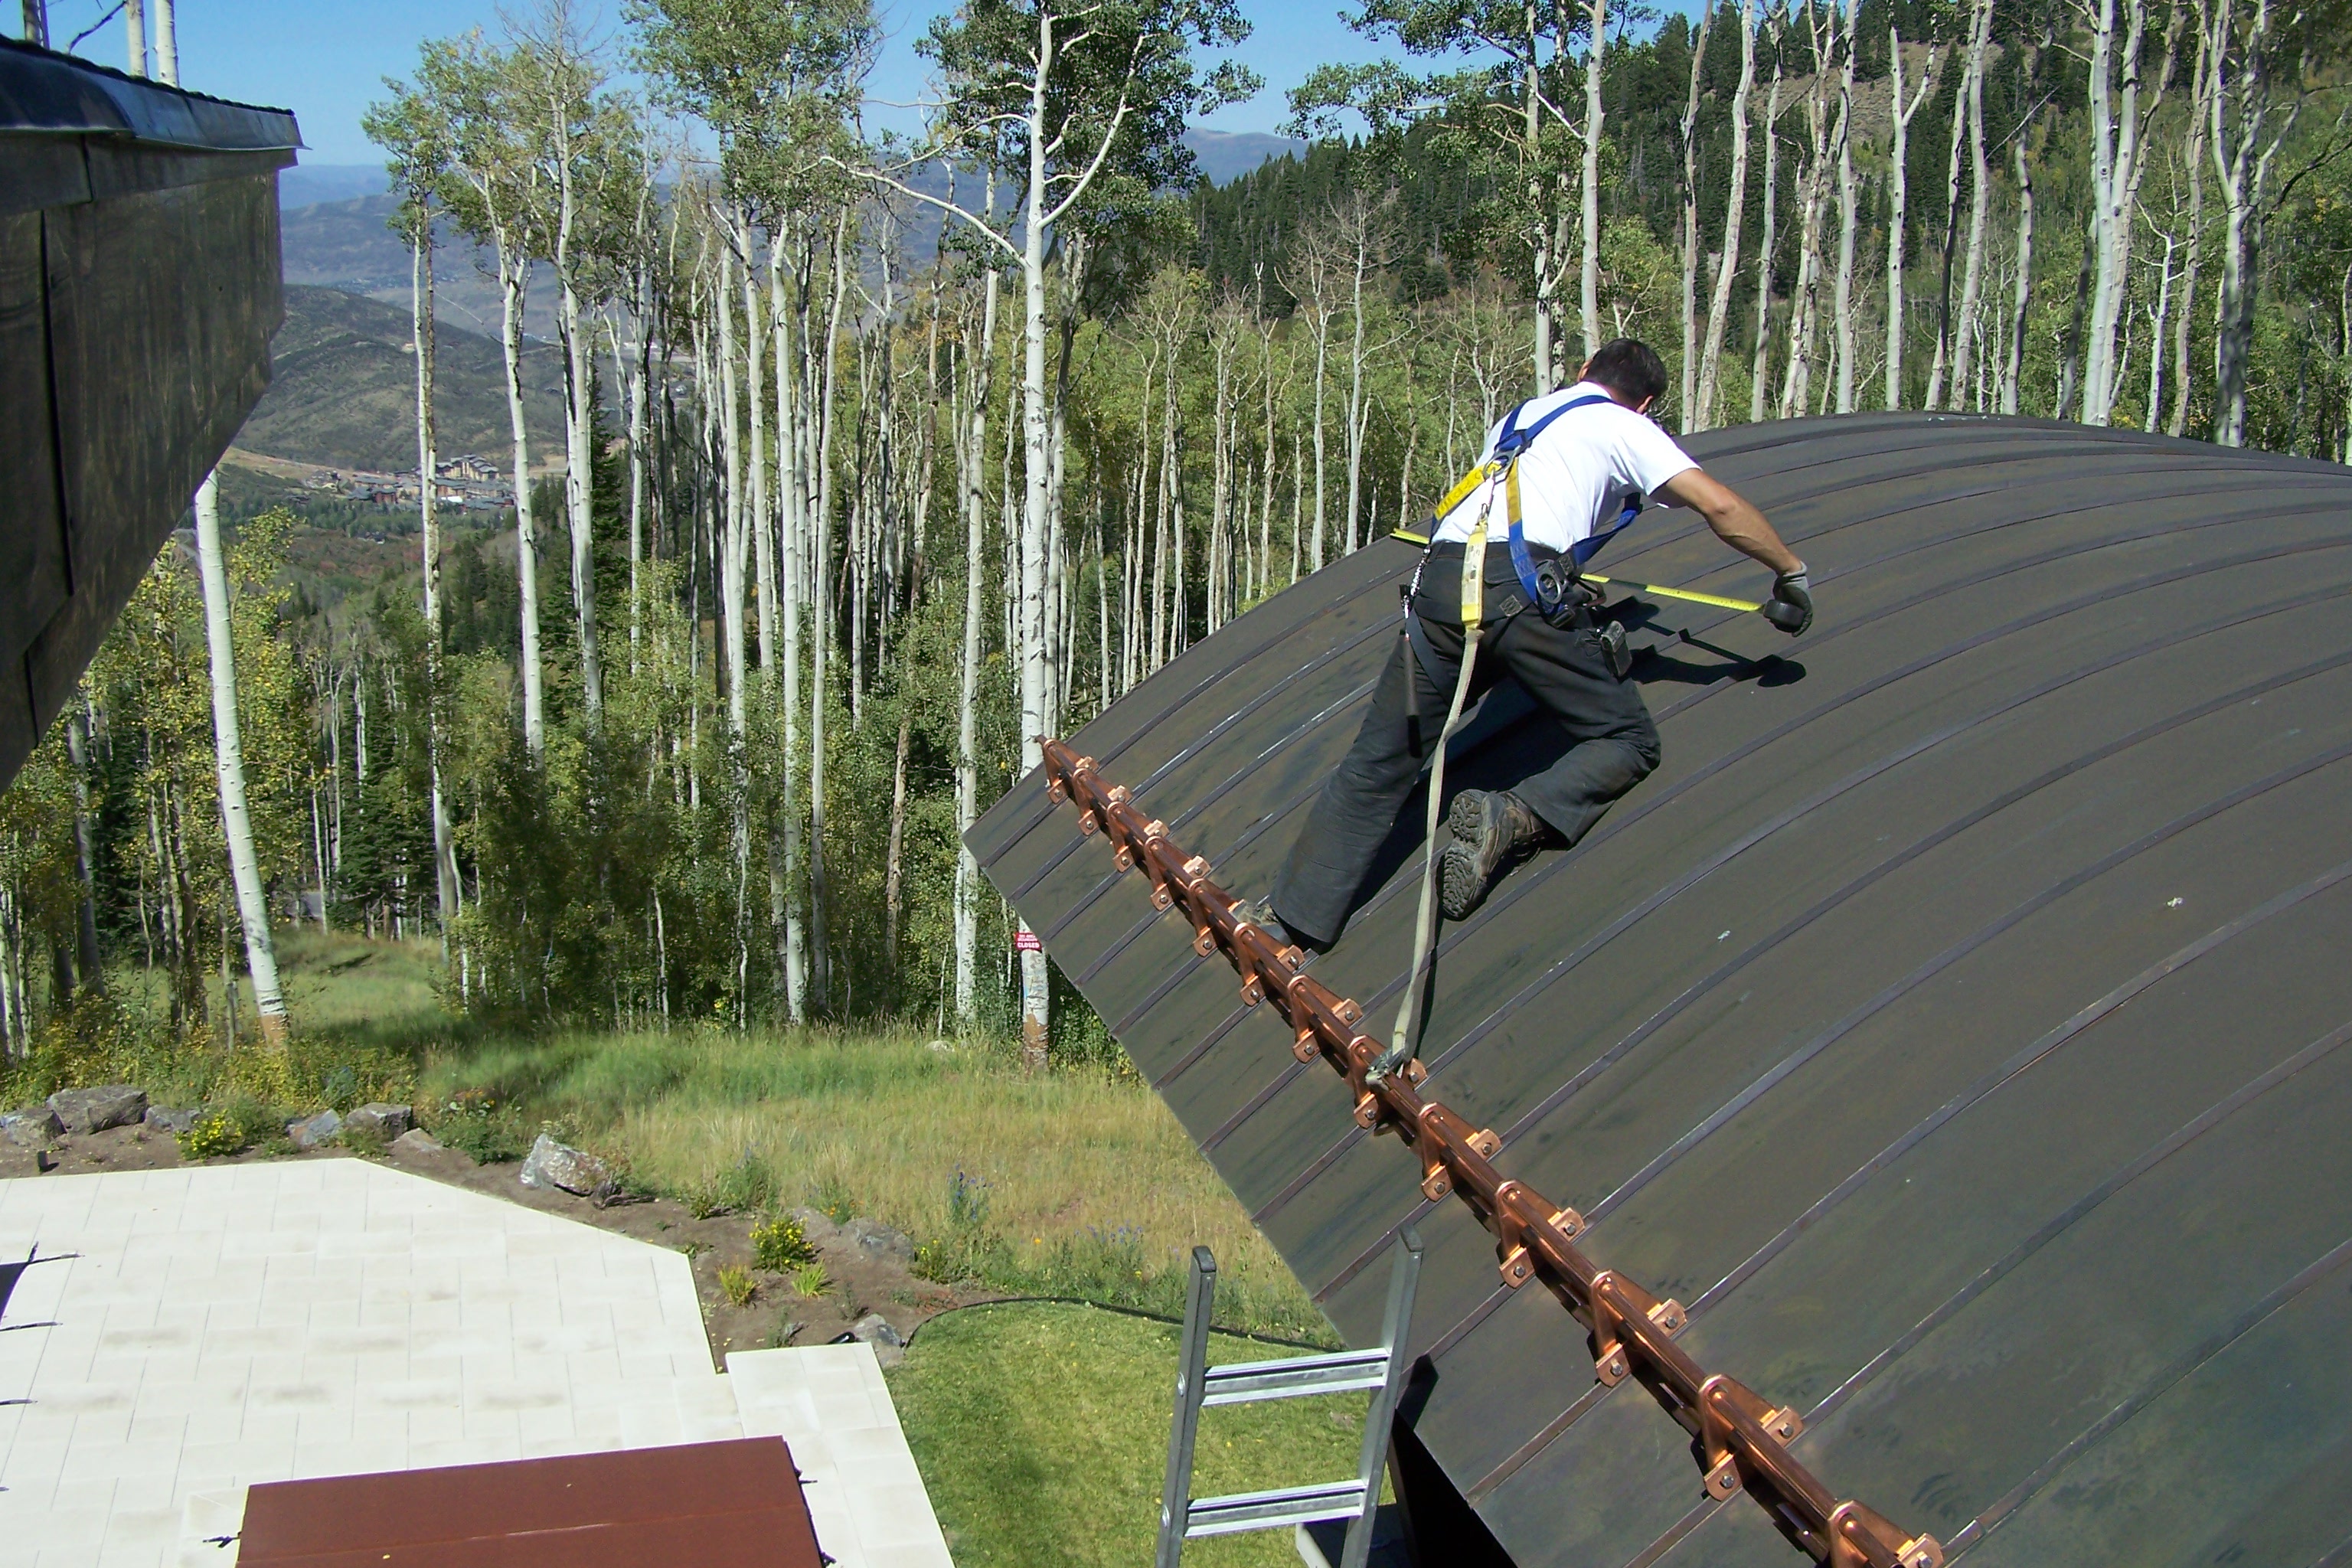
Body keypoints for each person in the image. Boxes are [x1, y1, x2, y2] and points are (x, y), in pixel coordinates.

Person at [1259, 338, 1812, 951]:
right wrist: (1789, 570)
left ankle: (1290, 920)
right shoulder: (1623, 427)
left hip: (1440, 585)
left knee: (1380, 760)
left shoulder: (1522, 416)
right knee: (1628, 740)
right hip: (1516, 595)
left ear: (1582, 373)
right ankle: (1514, 814)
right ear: (1647, 403)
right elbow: (1720, 506)